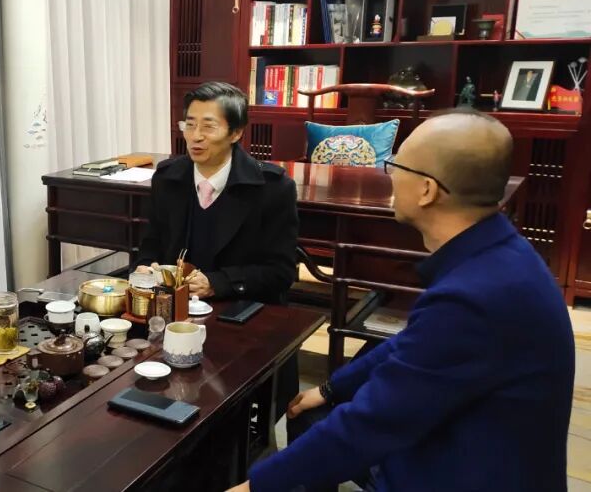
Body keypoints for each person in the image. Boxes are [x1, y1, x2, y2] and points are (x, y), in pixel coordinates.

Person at [230, 109, 574, 491]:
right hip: (457, 444)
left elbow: (373, 422)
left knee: (324, 439)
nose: (389, 175)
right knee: (312, 415)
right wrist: (330, 389)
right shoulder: (497, 253)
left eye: (395, 166)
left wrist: (254, 487)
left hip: (462, 471)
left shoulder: (476, 298)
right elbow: (408, 346)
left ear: (427, 190)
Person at [135, 81, 298, 304]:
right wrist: (145, 266)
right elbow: (151, 245)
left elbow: (281, 272)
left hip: (239, 305)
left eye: (208, 127)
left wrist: (216, 283)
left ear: (236, 133)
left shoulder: (273, 188)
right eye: (189, 125)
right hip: (174, 305)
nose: (195, 136)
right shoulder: (167, 179)